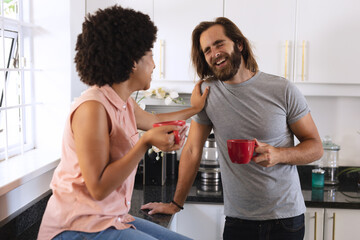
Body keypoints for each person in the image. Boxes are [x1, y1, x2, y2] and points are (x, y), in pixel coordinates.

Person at [141, 17, 324, 240]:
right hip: (238, 220)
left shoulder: (282, 89)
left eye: (219, 44)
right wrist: (175, 204)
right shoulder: (207, 94)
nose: (214, 52)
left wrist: (278, 154)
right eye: (207, 50)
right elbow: (191, 151)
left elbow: (315, 147)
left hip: (286, 219)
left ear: (239, 44)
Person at [37, 5, 209, 240]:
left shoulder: (122, 101)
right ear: (132, 62)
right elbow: (97, 188)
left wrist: (195, 108)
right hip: (77, 228)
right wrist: (145, 143)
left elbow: (156, 120)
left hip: (110, 219)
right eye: (150, 55)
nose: (155, 65)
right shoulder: (92, 108)